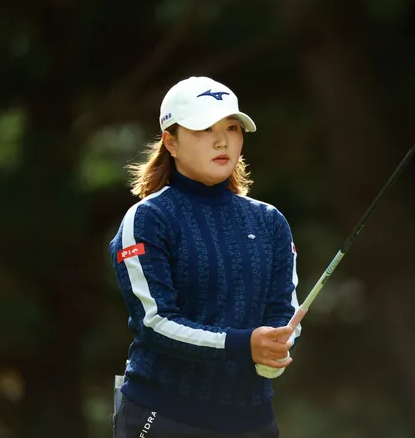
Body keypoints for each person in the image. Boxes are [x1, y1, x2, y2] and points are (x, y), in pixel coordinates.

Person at [109, 76, 302, 438]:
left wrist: (278, 345)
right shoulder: (149, 218)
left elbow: (284, 311)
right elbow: (155, 322)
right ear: (171, 142)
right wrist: (244, 344)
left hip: (253, 421)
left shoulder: (269, 221)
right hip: (164, 416)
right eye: (203, 128)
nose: (221, 140)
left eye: (232, 127)